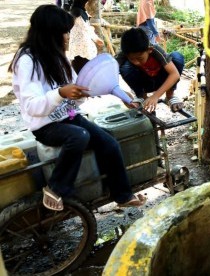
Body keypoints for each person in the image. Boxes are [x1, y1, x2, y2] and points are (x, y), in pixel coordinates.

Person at [8, 4, 146, 211]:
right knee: (79, 135)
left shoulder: (56, 54)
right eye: (64, 32)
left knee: (109, 142)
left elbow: (83, 86)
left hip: (68, 116)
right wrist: (61, 93)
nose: (67, 37)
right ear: (49, 33)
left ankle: (122, 195)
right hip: (45, 125)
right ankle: (56, 188)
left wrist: (120, 95)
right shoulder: (27, 60)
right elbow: (32, 106)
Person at [116, 27, 184, 113]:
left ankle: (170, 96)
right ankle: (141, 97)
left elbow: (175, 74)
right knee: (125, 67)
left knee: (177, 57)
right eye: (132, 59)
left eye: (140, 58)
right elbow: (108, 75)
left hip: (162, 81)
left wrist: (155, 96)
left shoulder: (155, 50)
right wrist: (121, 94)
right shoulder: (123, 54)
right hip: (145, 84)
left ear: (149, 50)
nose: (136, 62)